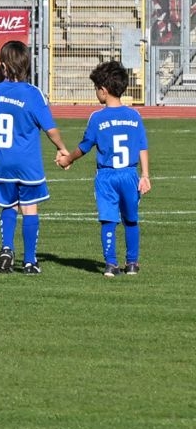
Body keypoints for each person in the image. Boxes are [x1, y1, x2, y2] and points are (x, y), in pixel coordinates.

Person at [56, 60, 149, 277]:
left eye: (96, 88)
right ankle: (132, 263)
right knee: (131, 219)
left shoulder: (97, 117)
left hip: (107, 176)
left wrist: (68, 159)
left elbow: (84, 147)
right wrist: (145, 175)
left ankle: (111, 264)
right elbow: (142, 146)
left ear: (103, 90)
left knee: (108, 219)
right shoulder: (134, 116)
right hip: (130, 174)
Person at [0, 41, 64, 275]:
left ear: (4, 66)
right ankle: (29, 261)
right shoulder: (33, 93)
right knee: (29, 209)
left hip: (2, 161)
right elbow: (50, 128)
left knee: (8, 206)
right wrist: (62, 148)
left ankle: (7, 249)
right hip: (27, 163)